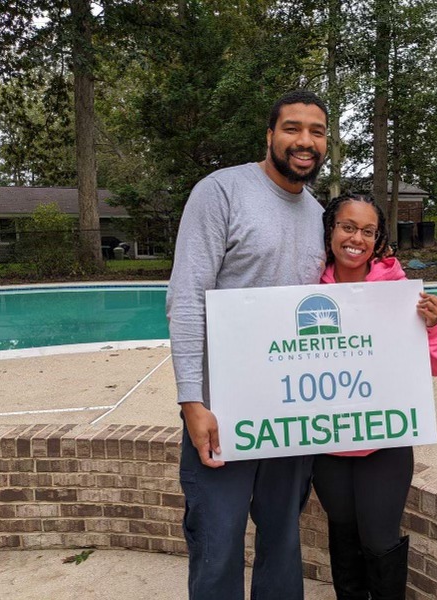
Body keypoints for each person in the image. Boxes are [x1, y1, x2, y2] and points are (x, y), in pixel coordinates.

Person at [165, 90, 328, 600]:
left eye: (317, 131)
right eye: (292, 128)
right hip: (222, 409)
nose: (305, 141)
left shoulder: (318, 214)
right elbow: (187, 298)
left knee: (282, 542)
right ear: (270, 135)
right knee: (217, 543)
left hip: (289, 411)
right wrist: (192, 401)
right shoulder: (221, 192)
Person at [313, 193, 437, 600]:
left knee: (378, 538)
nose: (356, 238)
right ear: (330, 230)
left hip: (384, 439)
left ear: (378, 239)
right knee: (342, 533)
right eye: (348, 227)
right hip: (326, 439)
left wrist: (435, 326)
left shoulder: (400, 292)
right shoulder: (306, 289)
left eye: (368, 231)